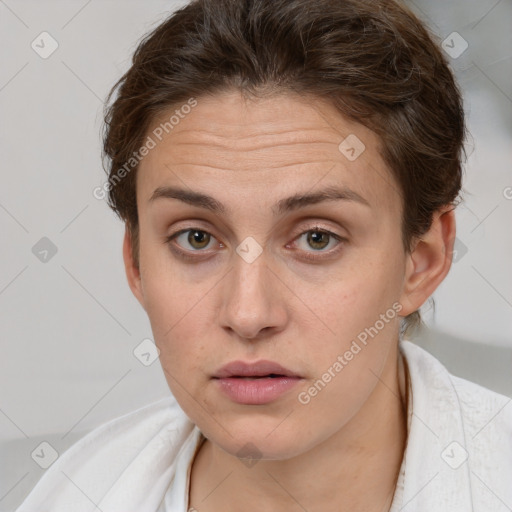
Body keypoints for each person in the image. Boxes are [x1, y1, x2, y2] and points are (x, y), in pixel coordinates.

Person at [16, 0, 512, 511]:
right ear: (137, 264)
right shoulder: (75, 493)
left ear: (422, 260)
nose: (248, 314)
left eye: (318, 238)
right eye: (196, 239)